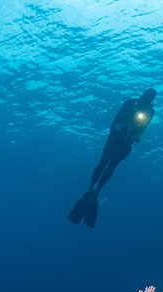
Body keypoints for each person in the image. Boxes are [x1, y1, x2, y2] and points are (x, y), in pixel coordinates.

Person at [67, 88, 157, 228]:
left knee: (110, 167)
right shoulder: (131, 103)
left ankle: (95, 192)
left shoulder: (150, 111)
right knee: (103, 164)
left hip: (126, 143)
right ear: (143, 94)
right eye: (147, 95)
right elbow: (117, 119)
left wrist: (130, 136)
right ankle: (91, 190)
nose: (148, 98)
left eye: (150, 96)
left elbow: (142, 129)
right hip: (115, 139)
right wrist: (122, 129)